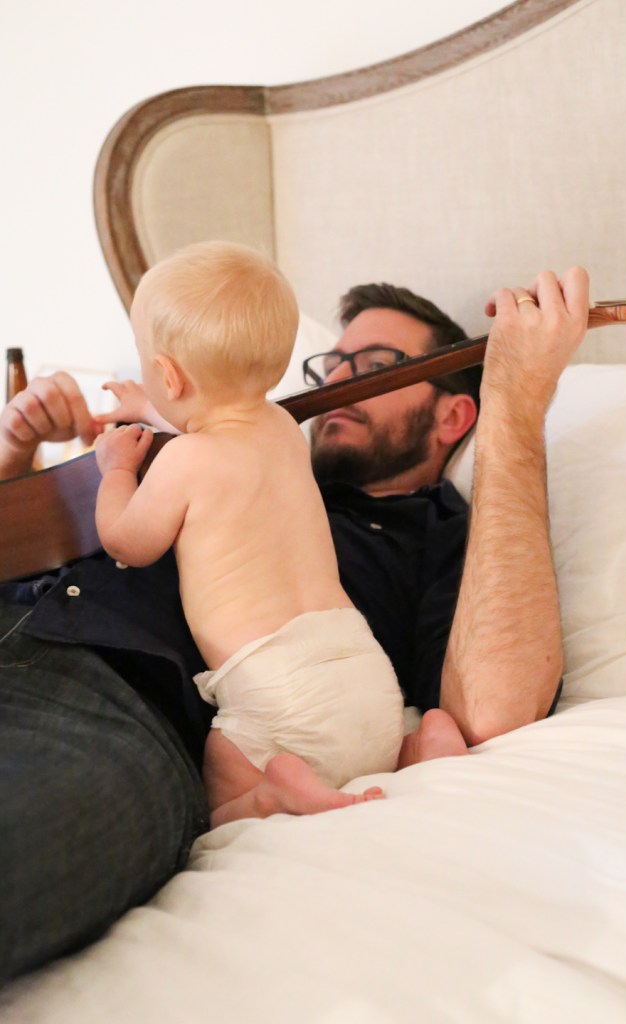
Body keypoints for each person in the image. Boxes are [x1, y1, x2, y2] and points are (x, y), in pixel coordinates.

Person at [0, 263, 589, 983]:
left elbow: (497, 705)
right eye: (330, 362)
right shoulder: (264, 439)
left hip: (115, 703)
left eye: (373, 364)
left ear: (453, 418)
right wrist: (19, 449)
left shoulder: (434, 532)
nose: (339, 377)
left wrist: (515, 402)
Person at [93, 240, 442, 826]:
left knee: (220, 790)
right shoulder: (282, 429)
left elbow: (126, 542)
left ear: (168, 377)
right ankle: (420, 744)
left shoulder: (180, 463)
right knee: (367, 743)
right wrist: (152, 410)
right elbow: (217, 424)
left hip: (276, 690)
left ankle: (268, 795)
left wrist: (116, 471)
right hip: (363, 670)